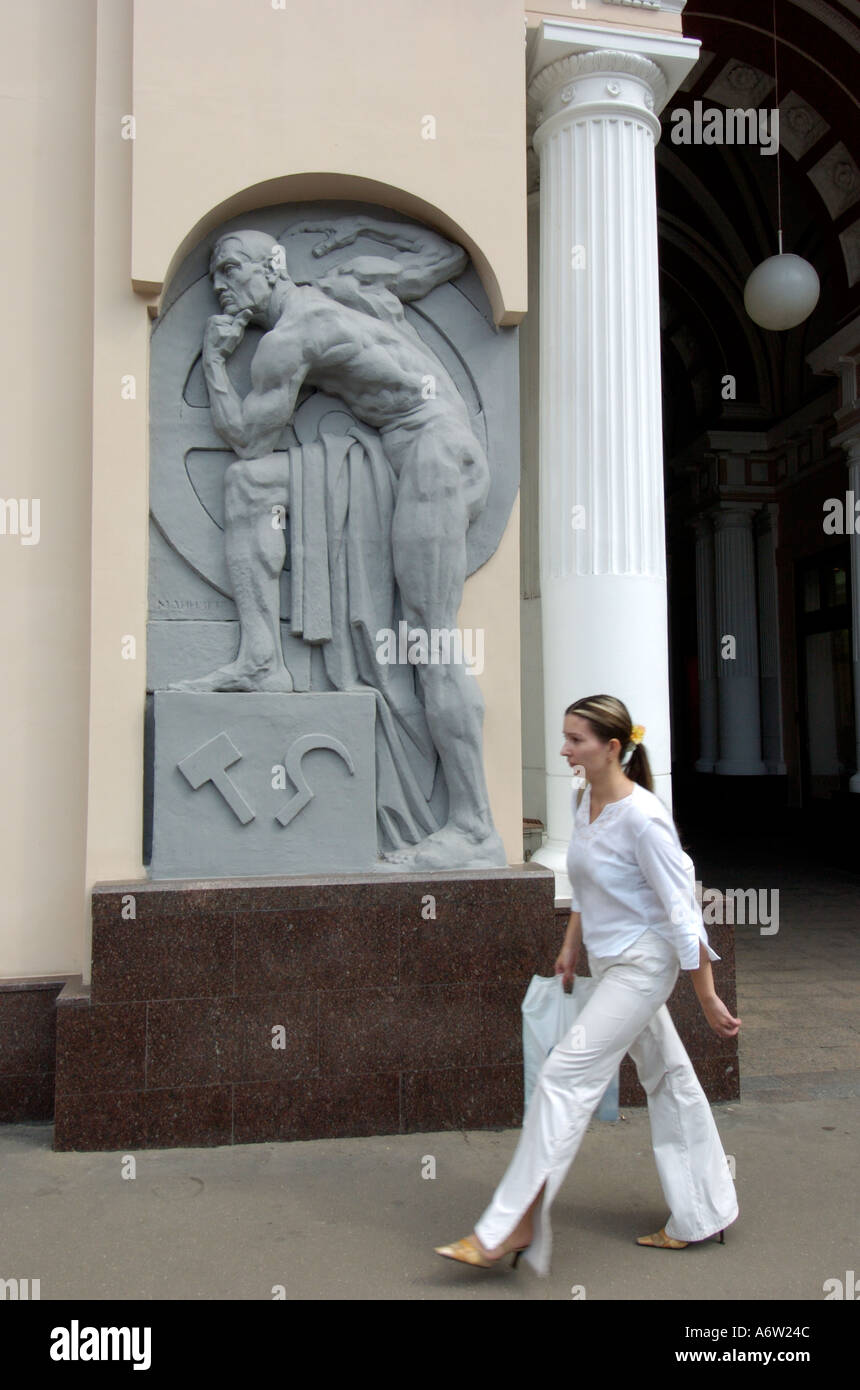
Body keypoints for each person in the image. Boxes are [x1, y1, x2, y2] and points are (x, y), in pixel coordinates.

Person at [171, 220, 505, 871]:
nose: (219, 288)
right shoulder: (347, 285)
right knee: (248, 489)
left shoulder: (290, 338)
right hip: (393, 458)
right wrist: (362, 238)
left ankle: (475, 828)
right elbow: (444, 256)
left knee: (429, 639)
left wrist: (214, 359)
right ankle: (263, 657)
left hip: (436, 455)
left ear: (272, 267)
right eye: (212, 277)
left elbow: (247, 434)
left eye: (230, 271)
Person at [435, 693, 741, 1274]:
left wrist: (705, 993)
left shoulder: (645, 818)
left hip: (643, 966)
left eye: (576, 739)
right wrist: (571, 947)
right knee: (668, 1076)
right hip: (608, 961)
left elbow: (682, 911)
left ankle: (508, 1228)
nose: (564, 748)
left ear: (613, 748)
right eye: (565, 736)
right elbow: (588, 881)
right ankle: (704, 1210)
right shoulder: (586, 801)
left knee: (561, 1077)